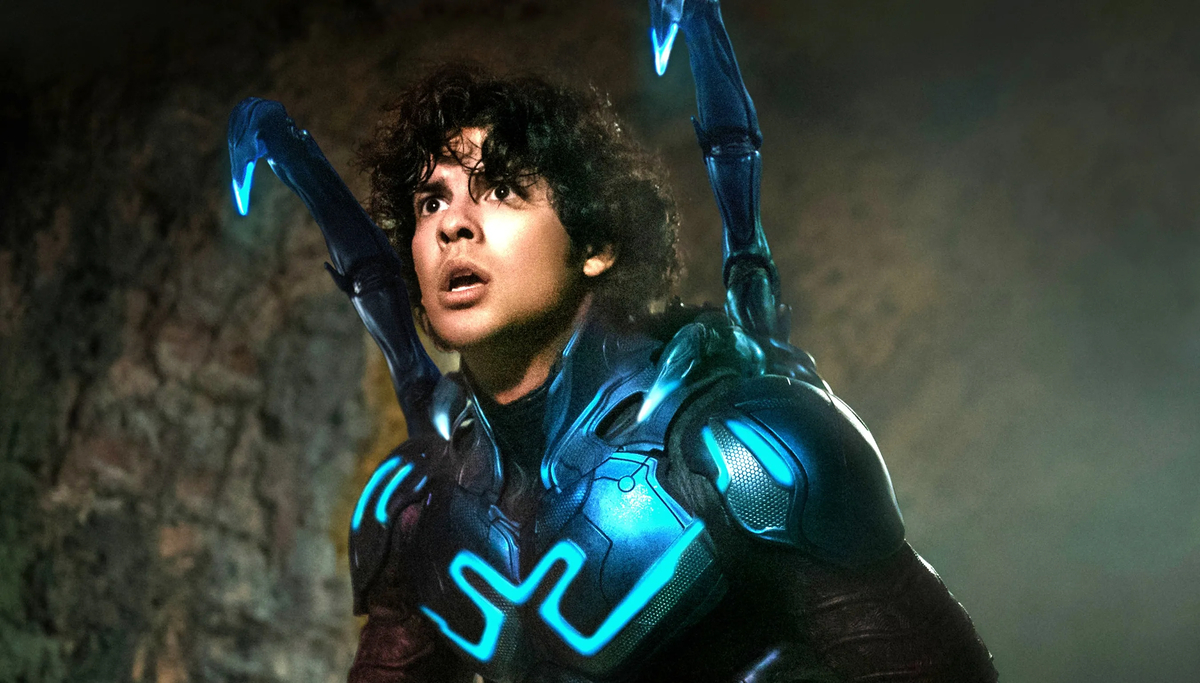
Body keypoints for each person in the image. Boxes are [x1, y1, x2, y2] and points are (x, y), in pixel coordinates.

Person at [338, 64, 998, 683]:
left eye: (501, 191)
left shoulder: (744, 457)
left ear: (596, 244)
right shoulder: (418, 507)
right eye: (430, 202)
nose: (453, 224)